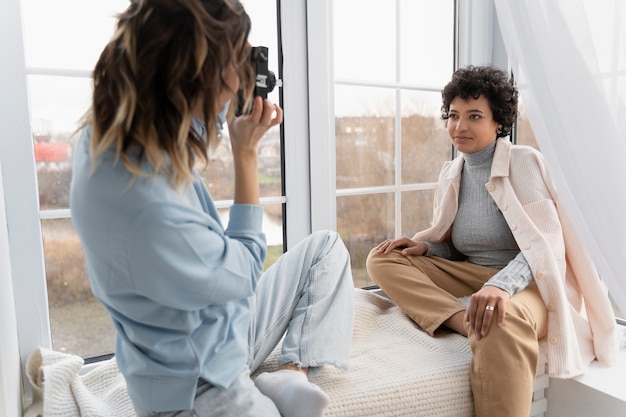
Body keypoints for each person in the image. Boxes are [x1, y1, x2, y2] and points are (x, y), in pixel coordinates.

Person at [70, 1, 354, 416]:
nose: (237, 80)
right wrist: (246, 155)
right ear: (194, 75)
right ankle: (272, 395)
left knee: (326, 249)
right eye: (232, 64)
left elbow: (194, 124)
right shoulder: (147, 205)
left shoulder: (115, 134)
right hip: (196, 381)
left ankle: (290, 372)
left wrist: (228, 99)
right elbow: (243, 271)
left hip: (218, 326)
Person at [366, 65, 619, 417]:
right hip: (472, 277)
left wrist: (502, 286)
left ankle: (481, 316)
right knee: (382, 260)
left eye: (474, 116)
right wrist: (426, 247)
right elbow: (457, 244)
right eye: (453, 115)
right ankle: (463, 318)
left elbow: (545, 244)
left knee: (502, 321)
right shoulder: (451, 172)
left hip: (530, 284)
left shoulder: (524, 161)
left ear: (498, 121)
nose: (460, 126)